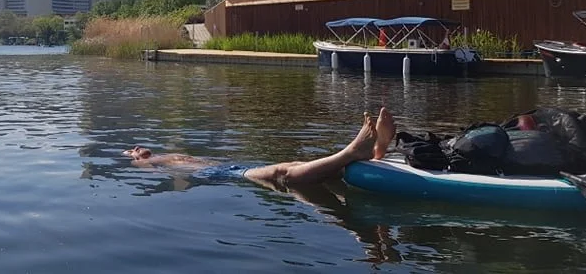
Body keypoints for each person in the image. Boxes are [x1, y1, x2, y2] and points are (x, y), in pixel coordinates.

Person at [124, 107, 397, 188]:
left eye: (137, 147)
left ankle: (375, 153)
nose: (137, 148)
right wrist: (136, 158)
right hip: (221, 175)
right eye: (133, 150)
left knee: (293, 165)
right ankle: (353, 152)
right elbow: (157, 173)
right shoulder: (148, 163)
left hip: (226, 167)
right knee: (283, 175)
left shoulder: (167, 154)